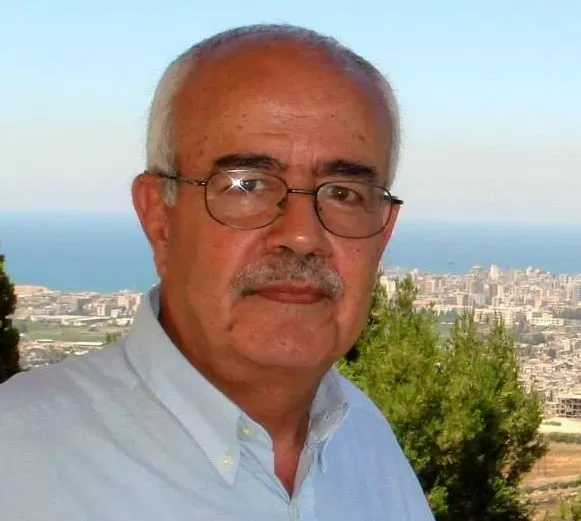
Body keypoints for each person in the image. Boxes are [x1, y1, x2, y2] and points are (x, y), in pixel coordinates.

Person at [0, 25, 434, 520]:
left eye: (344, 193)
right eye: (247, 185)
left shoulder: (368, 444)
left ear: (383, 232)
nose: (302, 235)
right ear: (160, 218)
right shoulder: (19, 463)